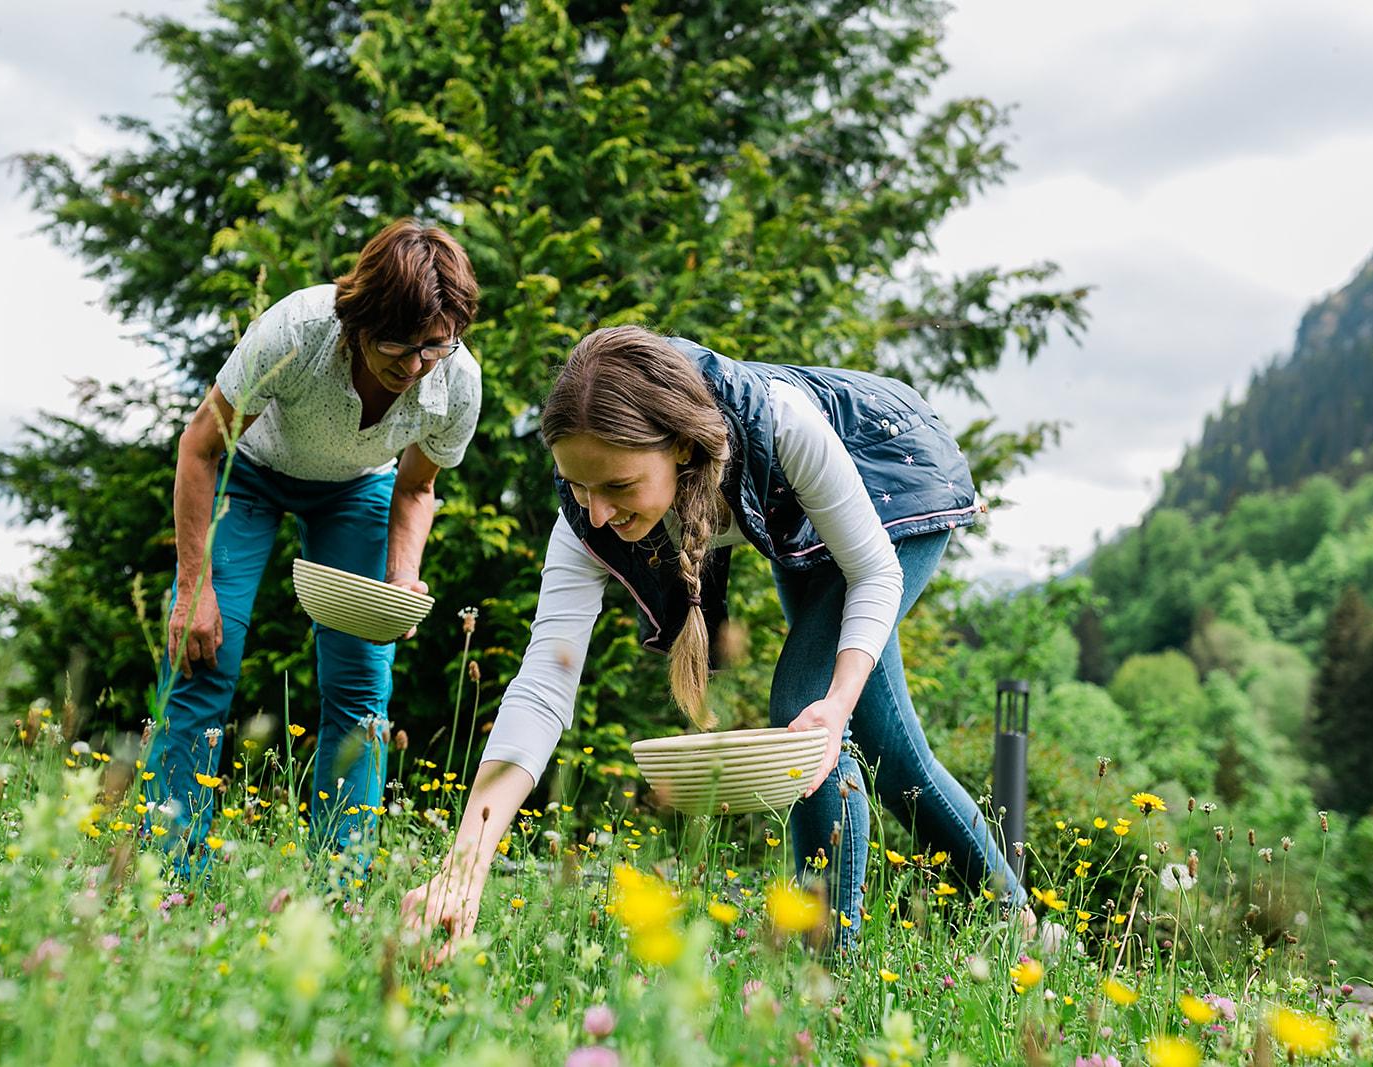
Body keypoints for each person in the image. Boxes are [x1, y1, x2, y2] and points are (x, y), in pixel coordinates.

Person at [402, 324, 1021, 954]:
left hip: (894, 467)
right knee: (894, 755)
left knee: (806, 708)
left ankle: (828, 968)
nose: (597, 513)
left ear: (681, 448)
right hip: (799, 517)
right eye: (580, 485)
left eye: (618, 486)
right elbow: (542, 686)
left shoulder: (779, 424)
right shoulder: (585, 514)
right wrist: (463, 867)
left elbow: (873, 572)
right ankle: (1017, 921)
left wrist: (836, 706)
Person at [145, 219, 481, 864]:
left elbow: (416, 486)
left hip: (356, 488)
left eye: (433, 347)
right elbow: (200, 446)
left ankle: (341, 881)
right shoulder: (297, 330)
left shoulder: (456, 380)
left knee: (362, 680)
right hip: (248, 472)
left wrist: (401, 579)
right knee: (206, 651)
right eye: (396, 344)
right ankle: (170, 866)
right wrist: (193, 587)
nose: (414, 366)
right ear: (359, 318)